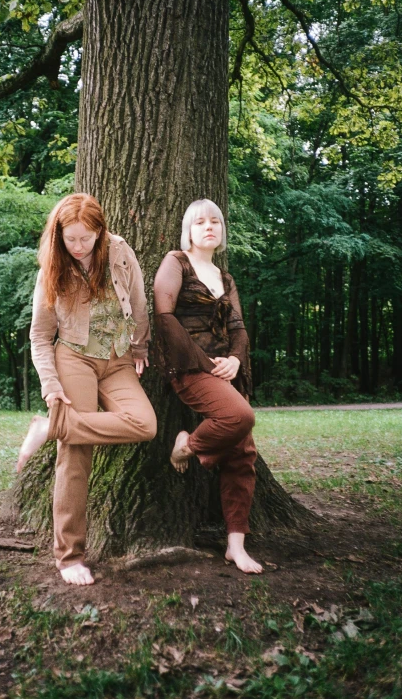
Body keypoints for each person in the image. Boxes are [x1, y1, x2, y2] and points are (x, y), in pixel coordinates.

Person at [16, 193, 157, 586]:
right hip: (74, 357)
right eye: (70, 239)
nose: (78, 247)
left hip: (117, 360)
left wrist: (141, 347)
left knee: (145, 424)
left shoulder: (120, 252)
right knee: (75, 455)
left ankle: (51, 427)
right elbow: (40, 336)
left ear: (100, 230)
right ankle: (70, 556)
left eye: (86, 238)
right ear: (59, 235)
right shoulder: (52, 268)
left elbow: (141, 301)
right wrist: (50, 385)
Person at [153, 199, 262, 574]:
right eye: (200, 222)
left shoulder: (225, 278)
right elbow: (164, 318)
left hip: (226, 371)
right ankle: (188, 447)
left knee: (243, 454)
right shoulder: (176, 262)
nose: (209, 227)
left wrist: (234, 359)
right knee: (240, 416)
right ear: (189, 230)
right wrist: (204, 363)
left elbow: (239, 329)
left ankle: (235, 544)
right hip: (189, 366)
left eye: (215, 221)